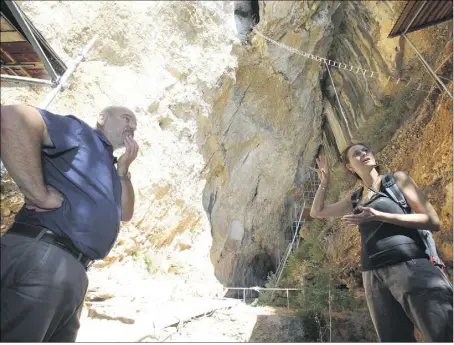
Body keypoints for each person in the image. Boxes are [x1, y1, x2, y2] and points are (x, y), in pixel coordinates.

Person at [0, 104, 139, 342]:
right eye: (126, 119)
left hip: (72, 272)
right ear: (102, 117)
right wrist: (38, 194)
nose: (131, 128)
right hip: (44, 256)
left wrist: (124, 170)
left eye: (135, 128)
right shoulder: (81, 133)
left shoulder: (111, 167)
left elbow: (125, 213)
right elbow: (10, 117)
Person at [310, 143, 453, 342]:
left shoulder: (396, 180)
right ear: (350, 167)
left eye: (366, 150)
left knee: (442, 334)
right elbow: (317, 212)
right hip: (373, 277)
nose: (363, 154)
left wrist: (379, 215)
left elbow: (432, 220)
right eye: (356, 154)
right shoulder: (357, 198)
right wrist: (324, 182)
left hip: (411, 265)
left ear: (374, 157)